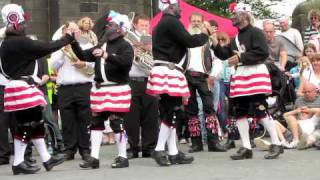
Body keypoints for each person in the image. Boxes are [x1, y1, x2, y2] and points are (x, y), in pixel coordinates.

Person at [0, 4, 73, 175]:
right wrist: (67, 38)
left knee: (35, 122)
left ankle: (47, 158)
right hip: (22, 87)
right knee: (26, 125)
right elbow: (46, 47)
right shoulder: (19, 42)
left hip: (20, 87)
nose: (26, 25)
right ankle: (19, 162)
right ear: (17, 23)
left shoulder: (7, 43)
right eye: (23, 22)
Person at [212, 3, 283, 160]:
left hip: (255, 74)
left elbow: (262, 52)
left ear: (245, 16)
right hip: (241, 75)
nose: (233, 17)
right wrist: (215, 43)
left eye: (236, 14)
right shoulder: (236, 37)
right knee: (239, 111)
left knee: (260, 109)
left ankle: (276, 143)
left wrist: (240, 57)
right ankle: (245, 147)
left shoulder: (256, 32)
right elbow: (225, 54)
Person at [147, 0, 210, 166]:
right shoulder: (171, 21)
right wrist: (205, 34)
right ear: (169, 7)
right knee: (173, 110)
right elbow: (190, 41)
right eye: (177, 5)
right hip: (169, 71)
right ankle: (160, 148)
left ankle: (173, 152)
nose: (180, 8)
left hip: (167, 70)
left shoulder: (163, 22)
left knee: (173, 112)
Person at [71, 11, 134, 169]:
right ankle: (94, 158)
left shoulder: (125, 45)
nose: (108, 26)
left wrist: (106, 55)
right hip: (100, 90)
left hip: (118, 89)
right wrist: (73, 41)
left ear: (120, 29)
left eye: (112, 25)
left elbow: (126, 62)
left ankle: (122, 156)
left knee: (116, 122)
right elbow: (84, 55)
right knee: (96, 122)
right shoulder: (102, 43)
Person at [51, 22, 94, 161]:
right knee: (67, 119)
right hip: (65, 88)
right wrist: (63, 51)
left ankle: (85, 149)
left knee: (85, 119)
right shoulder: (59, 47)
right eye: (69, 31)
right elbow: (53, 65)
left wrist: (84, 63)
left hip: (83, 86)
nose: (73, 33)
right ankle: (70, 149)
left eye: (75, 30)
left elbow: (94, 64)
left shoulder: (86, 44)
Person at [185, 12, 226, 153]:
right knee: (191, 111)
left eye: (198, 21)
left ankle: (213, 142)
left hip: (204, 77)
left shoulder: (209, 40)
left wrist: (212, 76)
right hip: (188, 76)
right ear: (189, 22)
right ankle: (196, 143)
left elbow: (218, 60)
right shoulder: (185, 38)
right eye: (193, 20)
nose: (196, 23)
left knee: (209, 108)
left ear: (203, 23)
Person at [124, 14, 159, 159]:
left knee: (150, 115)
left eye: (146, 25)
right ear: (135, 26)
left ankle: (148, 147)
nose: (144, 28)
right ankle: (133, 147)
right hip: (132, 80)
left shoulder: (153, 39)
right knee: (131, 116)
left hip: (149, 79)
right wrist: (134, 48)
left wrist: (149, 48)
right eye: (142, 25)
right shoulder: (128, 39)